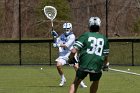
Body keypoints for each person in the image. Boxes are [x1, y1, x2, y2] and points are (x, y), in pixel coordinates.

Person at [69, 17, 109, 93]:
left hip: (84, 64)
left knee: (76, 82)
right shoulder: (104, 38)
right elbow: (106, 55)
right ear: (99, 26)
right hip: (97, 65)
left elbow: (74, 51)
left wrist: (70, 58)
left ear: (89, 25)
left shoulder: (85, 35)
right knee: (95, 82)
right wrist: (105, 65)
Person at [52, 22, 87, 87]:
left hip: (71, 54)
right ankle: (63, 78)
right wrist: (55, 36)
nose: (66, 30)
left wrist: (57, 44)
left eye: (67, 29)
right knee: (58, 66)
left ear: (70, 28)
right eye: (65, 29)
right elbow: (56, 41)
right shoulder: (62, 35)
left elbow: (66, 45)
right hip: (63, 55)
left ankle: (81, 81)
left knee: (76, 68)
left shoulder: (72, 36)